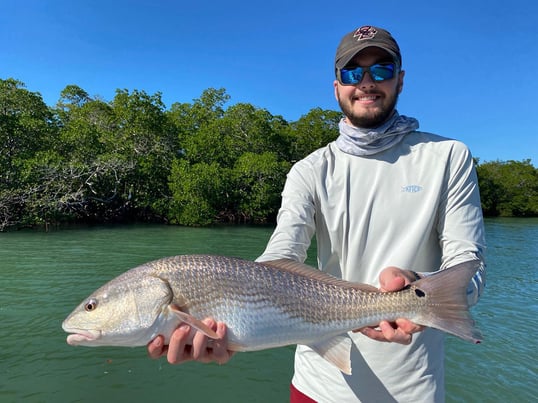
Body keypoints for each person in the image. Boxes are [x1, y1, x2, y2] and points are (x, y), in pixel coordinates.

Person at [148, 25, 486, 402]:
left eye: (382, 70)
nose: (367, 82)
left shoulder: (448, 157)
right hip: (317, 387)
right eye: (353, 72)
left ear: (401, 80)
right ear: (337, 86)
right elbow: (279, 259)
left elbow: (468, 265)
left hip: (414, 391)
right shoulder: (309, 170)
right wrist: (227, 329)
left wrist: (418, 287)